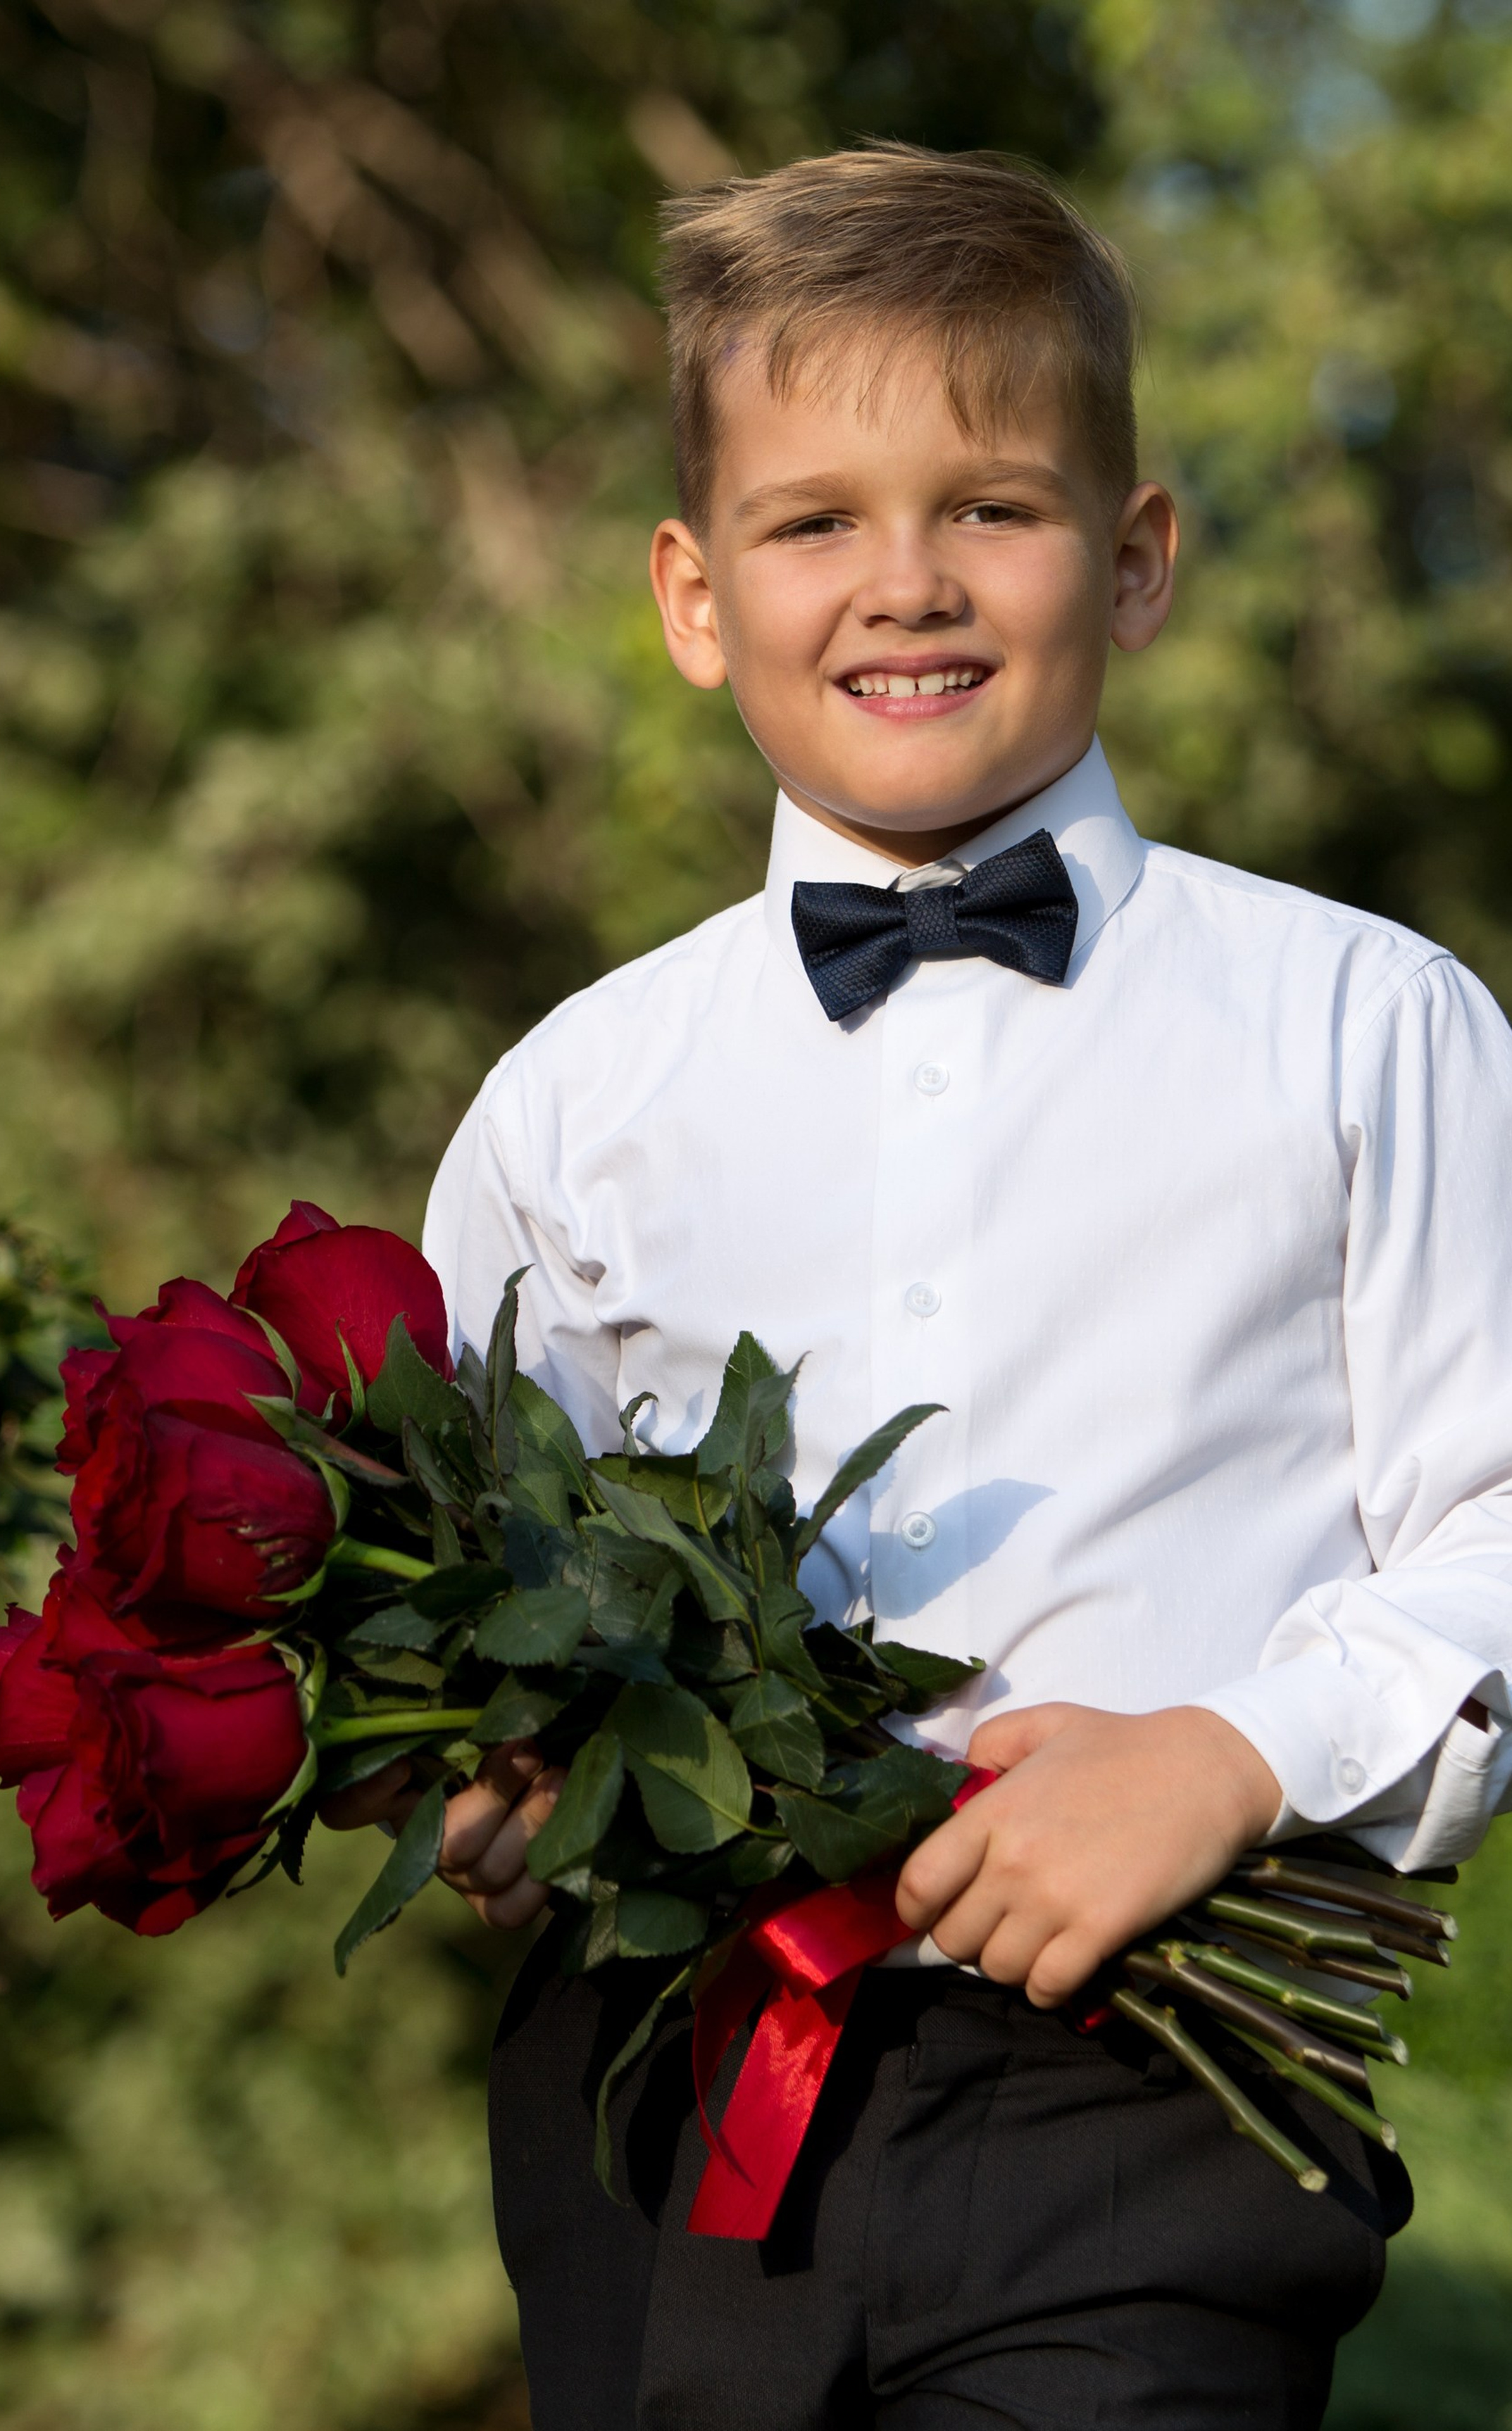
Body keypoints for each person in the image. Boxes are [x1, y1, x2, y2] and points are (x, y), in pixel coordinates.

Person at [322, 144, 1512, 2428]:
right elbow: (464, 1578)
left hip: (1159, 2090)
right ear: (692, 593)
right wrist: (474, 1763)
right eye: (813, 521)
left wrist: (1238, 1753)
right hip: (658, 2097)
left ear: (1137, 556)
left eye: (993, 506)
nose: (908, 584)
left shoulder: (1373, 1026)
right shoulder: (572, 1103)